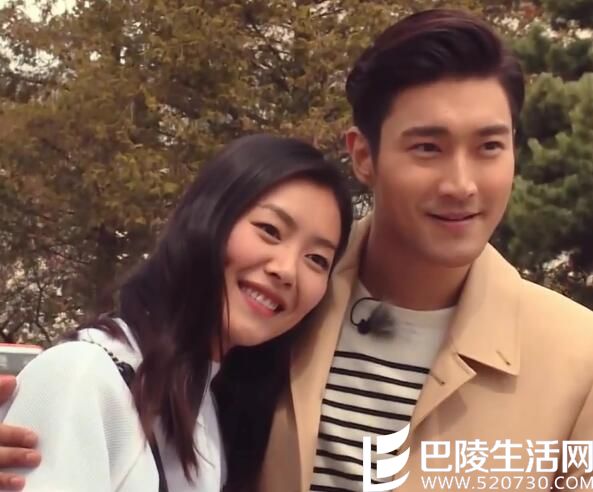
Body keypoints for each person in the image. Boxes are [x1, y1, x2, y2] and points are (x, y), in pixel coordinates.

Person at [2, 8, 593, 492]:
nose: (462, 184)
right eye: (427, 148)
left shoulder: (577, 361)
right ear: (363, 155)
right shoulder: (271, 307)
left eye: (489, 147)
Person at [0, 133, 353, 491]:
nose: (287, 270)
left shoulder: (213, 415)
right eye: (270, 230)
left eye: (316, 259)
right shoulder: (85, 376)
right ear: (207, 217)